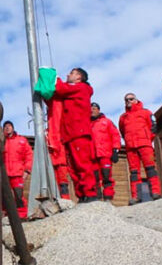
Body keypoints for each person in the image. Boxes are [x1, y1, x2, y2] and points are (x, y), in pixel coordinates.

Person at [47, 67, 98, 202]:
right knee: (73, 168)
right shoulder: (72, 91)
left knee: (83, 164)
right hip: (70, 135)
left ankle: (90, 194)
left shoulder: (81, 88)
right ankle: (81, 195)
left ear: (78, 77)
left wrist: (54, 77)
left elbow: (61, 89)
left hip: (79, 133)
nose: (68, 75)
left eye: (72, 73)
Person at [118, 93, 162, 203]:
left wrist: (147, 139)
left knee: (150, 169)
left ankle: (155, 192)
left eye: (131, 99)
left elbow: (153, 127)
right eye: (126, 100)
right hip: (131, 147)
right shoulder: (123, 117)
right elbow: (122, 131)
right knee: (134, 172)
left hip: (145, 145)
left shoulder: (146, 112)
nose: (128, 101)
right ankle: (136, 196)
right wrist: (128, 141)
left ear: (136, 100)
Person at [90, 103, 121, 202]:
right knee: (94, 178)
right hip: (92, 156)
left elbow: (115, 135)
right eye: (90, 109)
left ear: (98, 110)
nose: (92, 111)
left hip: (105, 154)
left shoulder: (107, 122)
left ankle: (108, 199)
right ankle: (97, 200)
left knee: (107, 177)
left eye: (94, 108)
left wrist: (115, 150)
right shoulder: (87, 125)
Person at [2, 121, 33, 217]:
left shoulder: (22, 140)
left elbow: (29, 155)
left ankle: (22, 215)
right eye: (5, 126)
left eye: (9, 126)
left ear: (13, 128)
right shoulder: (1, 141)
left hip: (18, 173)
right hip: (5, 174)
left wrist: (27, 170)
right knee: (5, 196)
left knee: (19, 195)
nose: (7, 128)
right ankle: (7, 216)